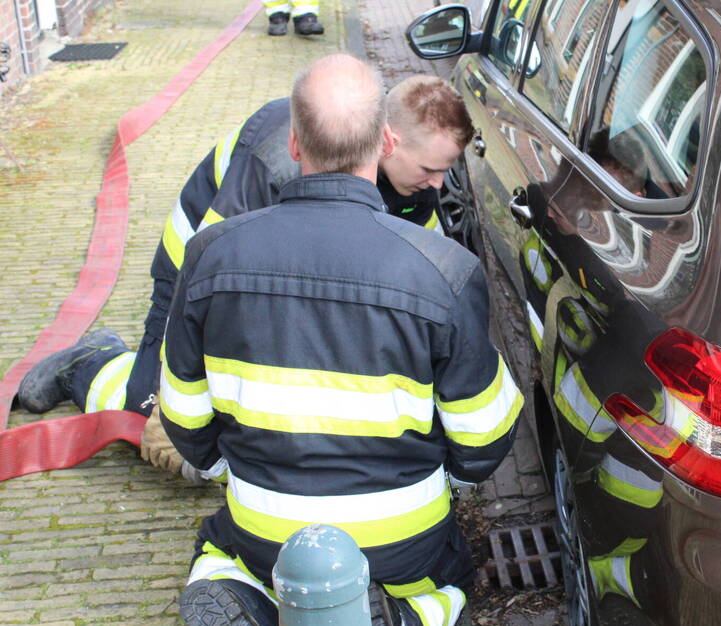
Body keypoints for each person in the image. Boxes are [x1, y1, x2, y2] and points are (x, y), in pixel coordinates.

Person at [162, 53, 522, 626]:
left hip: (264, 523)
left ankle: (245, 596)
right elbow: (485, 437)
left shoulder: (211, 254)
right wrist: (445, 478)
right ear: (386, 140)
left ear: (295, 144)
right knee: (454, 566)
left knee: (219, 546)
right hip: (399, 537)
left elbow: (185, 415)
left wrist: (231, 465)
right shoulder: (441, 267)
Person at [16, 74, 472, 437]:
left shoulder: (416, 185)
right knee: (166, 418)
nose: (438, 185)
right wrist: (171, 399)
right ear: (387, 141)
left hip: (281, 274)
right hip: (194, 277)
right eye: (430, 169)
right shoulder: (280, 157)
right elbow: (210, 273)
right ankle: (96, 362)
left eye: (446, 171)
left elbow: (422, 270)